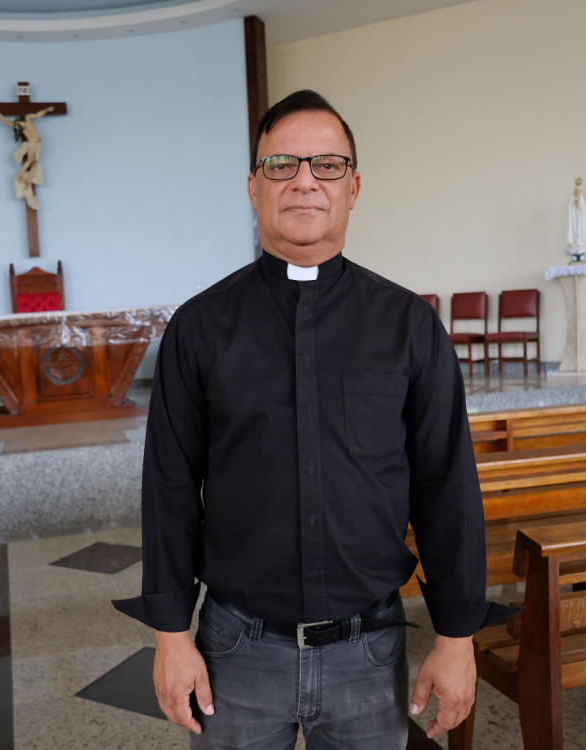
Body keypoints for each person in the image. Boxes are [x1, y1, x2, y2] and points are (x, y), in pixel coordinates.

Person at [112, 90, 515, 749]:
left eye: (327, 165)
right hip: (234, 651)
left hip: (369, 648)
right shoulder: (200, 328)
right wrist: (170, 637)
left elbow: (447, 488)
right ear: (253, 186)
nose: (304, 180)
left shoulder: (408, 325)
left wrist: (457, 637)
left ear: (353, 187)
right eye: (281, 164)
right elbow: (170, 489)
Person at [0, 105, 54, 210]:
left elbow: (38, 114)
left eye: (17, 127)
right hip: (31, 145)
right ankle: (27, 182)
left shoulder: (27, 119)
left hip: (37, 144)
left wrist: (47, 110)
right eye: (16, 128)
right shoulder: (19, 126)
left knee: (35, 163)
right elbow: (6, 122)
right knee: (31, 162)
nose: (17, 129)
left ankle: (28, 181)